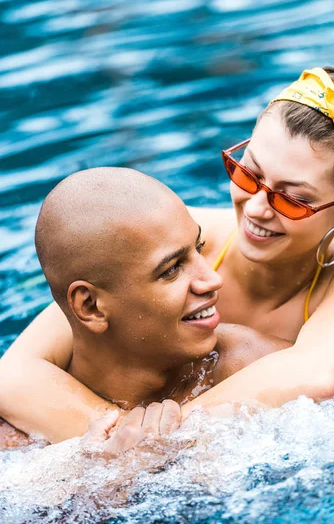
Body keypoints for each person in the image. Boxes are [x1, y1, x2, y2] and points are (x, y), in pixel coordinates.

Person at [0, 47, 334, 437]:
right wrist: (122, 441)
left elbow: (319, 377)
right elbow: (13, 374)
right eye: (248, 173)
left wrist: (159, 441)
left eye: (292, 198)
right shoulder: (174, 239)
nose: (257, 208)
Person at [0, 167, 288, 445]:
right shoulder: (17, 437)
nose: (212, 280)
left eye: (199, 249)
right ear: (91, 307)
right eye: (172, 269)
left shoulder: (253, 366)